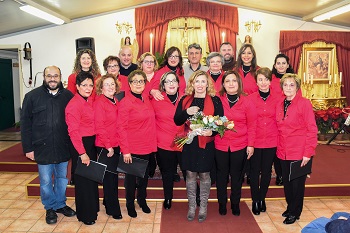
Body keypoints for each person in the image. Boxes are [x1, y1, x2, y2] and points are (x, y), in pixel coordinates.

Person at [21, 66, 76, 224]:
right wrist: (28, 148)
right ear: (44, 77)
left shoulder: (68, 96)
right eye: (49, 76)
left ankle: (60, 204)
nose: (52, 79)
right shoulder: (32, 97)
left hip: (62, 146)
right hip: (41, 147)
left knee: (61, 178)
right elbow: (25, 125)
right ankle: (50, 208)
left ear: (60, 77)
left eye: (55, 76)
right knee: (45, 181)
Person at [174, 70, 223, 222]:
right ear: (192, 83)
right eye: (197, 81)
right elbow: (177, 120)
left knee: (204, 175)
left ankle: (203, 206)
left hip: (206, 145)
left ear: (207, 84)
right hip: (189, 143)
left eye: (203, 81)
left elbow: (220, 123)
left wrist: (212, 132)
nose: (200, 85)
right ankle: (191, 206)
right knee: (190, 174)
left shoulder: (215, 100)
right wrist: (186, 112)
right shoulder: (185, 100)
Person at [276, 73, 318, 224]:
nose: (288, 87)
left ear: (297, 87)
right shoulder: (280, 103)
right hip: (283, 151)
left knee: (297, 185)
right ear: (282, 87)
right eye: (285, 85)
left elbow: (312, 129)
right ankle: (290, 207)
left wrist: (308, 153)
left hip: (299, 151)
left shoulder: (304, 103)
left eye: (292, 85)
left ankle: (295, 212)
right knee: (287, 183)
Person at [214, 70, 257, 216]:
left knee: (237, 176)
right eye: (227, 81)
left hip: (240, 144)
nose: (231, 84)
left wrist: (251, 144)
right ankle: (222, 203)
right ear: (223, 85)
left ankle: (235, 202)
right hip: (220, 144)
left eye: (234, 81)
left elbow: (252, 125)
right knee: (221, 176)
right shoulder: (218, 99)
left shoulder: (247, 101)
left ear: (239, 83)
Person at [117, 70, 157, 218]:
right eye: (135, 81)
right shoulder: (126, 102)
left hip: (147, 146)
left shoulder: (146, 98)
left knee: (144, 177)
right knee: (130, 179)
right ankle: (129, 203)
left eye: (141, 81)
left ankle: (141, 199)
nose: (139, 84)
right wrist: (125, 150)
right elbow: (121, 128)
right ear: (130, 84)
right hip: (132, 147)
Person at [65, 71, 99, 225]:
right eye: (84, 85)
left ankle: (92, 209)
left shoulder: (89, 100)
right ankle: (85, 215)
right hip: (81, 145)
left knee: (91, 178)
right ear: (77, 86)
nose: (88, 88)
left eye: (90, 85)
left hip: (90, 143)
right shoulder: (73, 104)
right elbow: (73, 132)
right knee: (83, 181)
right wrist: (82, 153)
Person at [248, 67, 279, 215]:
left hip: (272, 140)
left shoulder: (278, 99)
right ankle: (255, 199)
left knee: (266, 172)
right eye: (260, 79)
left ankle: (262, 198)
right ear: (256, 81)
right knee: (254, 172)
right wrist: (250, 143)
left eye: (266, 79)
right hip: (255, 140)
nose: (263, 82)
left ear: (270, 81)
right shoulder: (250, 99)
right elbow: (249, 122)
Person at [152, 71, 183, 210]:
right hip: (163, 142)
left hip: (183, 141)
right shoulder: (156, 99)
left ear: (178, 83)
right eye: (167, 81)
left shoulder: (185, 98)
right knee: (167, 172)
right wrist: (152, 91)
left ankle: (197, 196)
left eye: (173, 81)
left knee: (189, 171)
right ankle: (168, 197)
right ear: (163, 86)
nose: (171, 84)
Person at [94, 74, 122, 220]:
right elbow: (100, 127)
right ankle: (113, 209)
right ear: (101, 87)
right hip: (106, 146)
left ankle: (107, 201)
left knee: (113, 176)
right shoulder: (100, 103)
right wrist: (108, 146)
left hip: (116, 144)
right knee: (109, 179)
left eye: (112, 84)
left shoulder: (115, 100)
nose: (110, 87)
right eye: (107, 84)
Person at [271, 53, 296, 186]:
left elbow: (298, 99)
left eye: (283, 63)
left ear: (288, 65)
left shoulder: (293, 80)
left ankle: (290, 173)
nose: (281, 65)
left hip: (290, 118)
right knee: (277, 148)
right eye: (278, 63)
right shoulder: (271, 79)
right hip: (274, 118)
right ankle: (280, 174)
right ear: (275, 65)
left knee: (288, 147)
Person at [137, 52, 159, 177]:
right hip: (143, 113)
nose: (149, 64)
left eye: (151, 62)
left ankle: (154, 161)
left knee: (155, 138)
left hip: (158, 112)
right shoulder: (137, 76)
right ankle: (149, 163)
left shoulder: (159, 76)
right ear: (141, 64)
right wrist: (150, 90)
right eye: (147, 61)